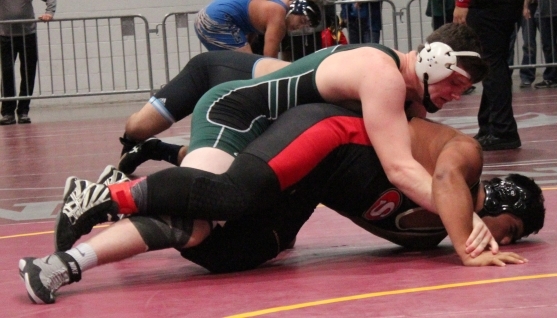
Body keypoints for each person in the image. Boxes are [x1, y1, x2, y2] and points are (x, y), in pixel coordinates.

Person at [20, 103, 545, 304]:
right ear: (499, 198)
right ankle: (104, 198)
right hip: (321, 133)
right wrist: (468, 243)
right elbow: (451, 176)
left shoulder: (431, 233)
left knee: (221, 245)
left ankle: (61, 265)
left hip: (306, 190)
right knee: (230, 196)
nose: (505, 240)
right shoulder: (464, 162)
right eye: (512, 228)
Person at [120, 23, 488, 223]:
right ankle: (113, 188)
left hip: (264, 121)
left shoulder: (409, 102)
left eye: (464, 90)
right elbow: (400, 168)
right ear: (433, 62)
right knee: (195, 208)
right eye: (454, 83)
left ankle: (154, 155)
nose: (456, 96)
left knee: (225, 191)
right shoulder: (384, 77)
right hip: (234, 95)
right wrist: (463, 221)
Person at [118, 51, 290, 173]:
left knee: (224, 164)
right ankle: (134, 140)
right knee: (137, 128)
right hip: (211, 72)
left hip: (241, 102)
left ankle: (155, 149)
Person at [454, 0, 522, 151]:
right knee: (496, 62)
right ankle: (490, 126)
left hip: (488, 7)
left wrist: (462, 3)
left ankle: (502, 129)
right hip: (506, 7)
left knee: (492, 64)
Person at [194, 0, 321, 58]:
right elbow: (269, 57)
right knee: (246, 67)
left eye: (304, 26)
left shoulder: (274, 6)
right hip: (217, 18)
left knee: (226, 66)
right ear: (294, 11)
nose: (298, 27)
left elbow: (249, 33)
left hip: (206, 16)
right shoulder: (278, 17)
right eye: (301, 21)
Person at [0, 0, 56, 125]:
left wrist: (50, 12)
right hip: (6, 36)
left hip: (28, 35)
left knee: (28, 72)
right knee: (7, 72)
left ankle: (23, 111)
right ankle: (8, 112)